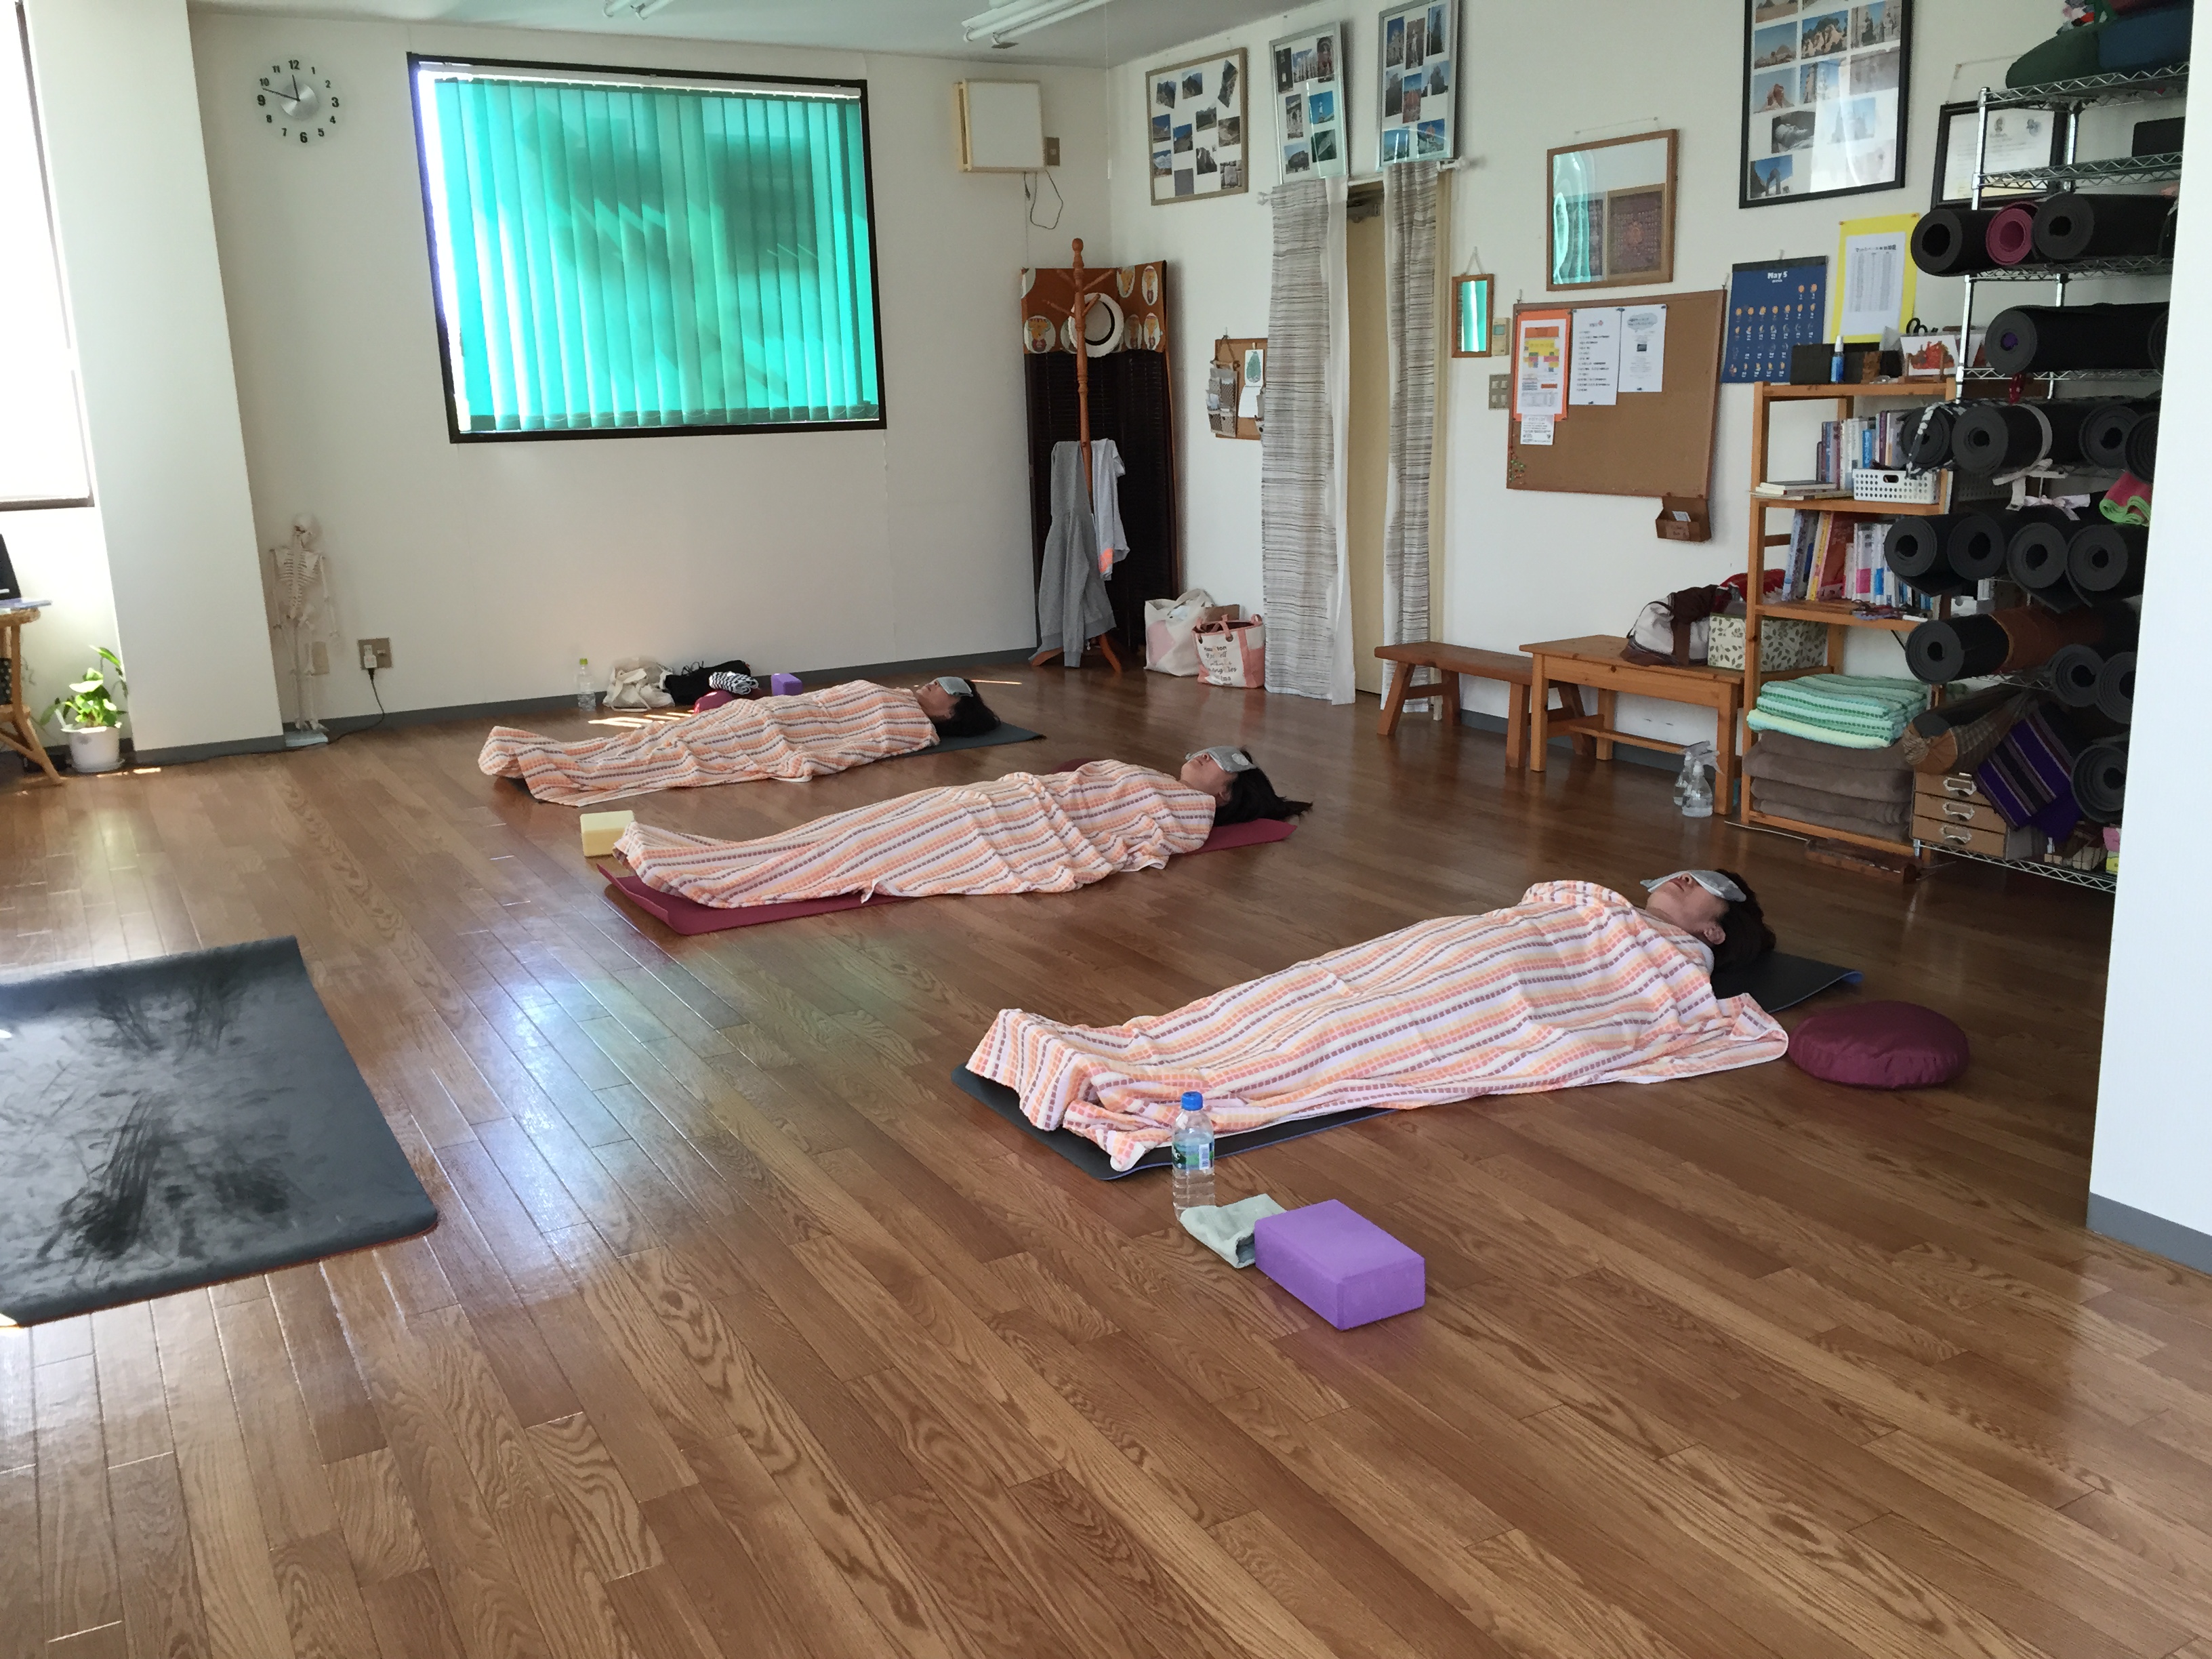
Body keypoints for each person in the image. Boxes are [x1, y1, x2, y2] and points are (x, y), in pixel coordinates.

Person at [967, 878, 1786, 1172]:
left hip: (1498, 982)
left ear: (1717, 932)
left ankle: (1147, 1084)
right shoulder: (1593, 902)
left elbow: (1634, 1006)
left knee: (1350, 1029)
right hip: (1456, 944)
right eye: (1688, 873)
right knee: (1300, 991)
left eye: (1708, 889)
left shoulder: (1672, 959)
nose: (1687, 880)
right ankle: (1126, 1050)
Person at [611, 747, 1306, 912]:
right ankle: (723, 858)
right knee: (864, 822)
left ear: (1227, 791)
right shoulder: (1162, 782)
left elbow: (1130, 834)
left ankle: (718, 874)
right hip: (996, 801)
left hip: (1010, 827)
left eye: (1221, 761)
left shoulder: (1188, 811)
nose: (1205, 755)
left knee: (871, 848)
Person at [478, 675, 1002, 806]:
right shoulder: (899, 696)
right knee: (670, 735)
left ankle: (556, 768)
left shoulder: (911, 724)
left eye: (949, 687)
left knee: (673, 755)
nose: (935, 682)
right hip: (768, 713)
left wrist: (802, 752)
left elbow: (861, 741)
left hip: (780, 732)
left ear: (952, 711)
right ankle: (550, 756)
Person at [1637, 868, 1776, 974]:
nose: (1686, 876)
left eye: (1710, 884)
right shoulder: (1626, 912)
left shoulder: (1687, 965)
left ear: (1714, 932)